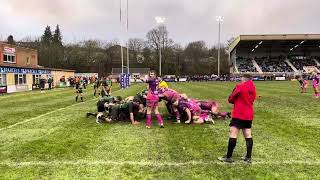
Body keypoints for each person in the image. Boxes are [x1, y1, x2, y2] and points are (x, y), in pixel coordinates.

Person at [218, 74, 256, 163]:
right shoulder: (253, 88)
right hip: (249, 113)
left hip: (239, 113)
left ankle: (228, 157)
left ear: (244, 79)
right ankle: (248, 157)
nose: (240, 81)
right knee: (248, 134)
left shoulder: (240, 86)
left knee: (233, 133)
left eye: (241, 79)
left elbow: (231, 99)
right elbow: (252, 99)